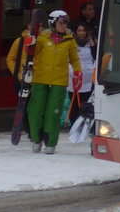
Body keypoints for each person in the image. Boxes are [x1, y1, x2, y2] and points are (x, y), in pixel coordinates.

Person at [6, 10, 80, 154]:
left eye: (65, 23)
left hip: (59, 81)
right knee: (35, 110)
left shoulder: (69, 41)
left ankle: (50, 142)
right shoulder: (43, 39)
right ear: (53, 23)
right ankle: (36, 139)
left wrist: (78, 72)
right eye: (61, 23)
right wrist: (30, 43)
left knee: (53, 112)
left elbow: (75, 59)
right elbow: (30, 52)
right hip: (40, 79)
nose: (64, 26)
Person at [68, 22, 98, 125]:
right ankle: (74, 123)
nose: (81, 33)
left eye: (83, 30)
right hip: (74, 79)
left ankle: (85, 124)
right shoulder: (71, 43)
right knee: (74, 105)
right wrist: (72, 72)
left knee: (86, 104)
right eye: (79, 30)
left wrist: (93, 46)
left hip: (88, 80)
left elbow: (95, 59)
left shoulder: (91, 43)